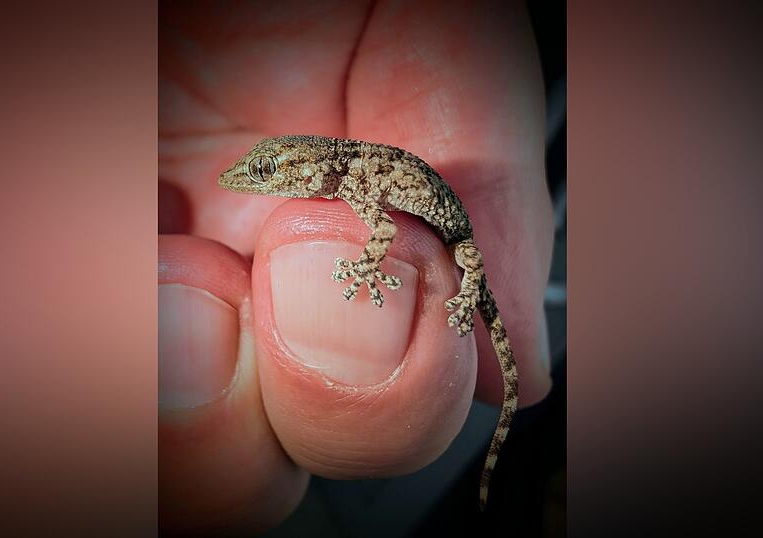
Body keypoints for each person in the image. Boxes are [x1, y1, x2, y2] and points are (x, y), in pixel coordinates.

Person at [158, 1, 555, 533]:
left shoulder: (359, 183)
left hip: (456, 235)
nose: (258, 180)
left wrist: (392, 276)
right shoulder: (347, 177)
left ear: (312, 169)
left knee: (485, 318)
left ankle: (491, 454)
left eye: (269, 172)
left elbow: (387, 232)